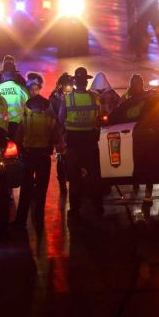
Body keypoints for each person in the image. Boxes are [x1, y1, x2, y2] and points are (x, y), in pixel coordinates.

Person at [14, 90, 63, 227]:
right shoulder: (51, 121)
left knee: (26, 189)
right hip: (43, 158)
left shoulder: (25, 120)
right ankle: (39, 218)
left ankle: (20, 220)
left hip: (28, 157)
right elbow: (56, 139)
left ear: (31, 107)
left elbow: (17, 140)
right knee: (42, 189)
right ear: (43, 107)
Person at [58, 67, 103, 216]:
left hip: (73, 143)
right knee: (94, 175)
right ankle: (97, 206)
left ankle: (75, 208)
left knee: (74, 176)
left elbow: (60, 119)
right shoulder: (95, 97)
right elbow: (99, 118)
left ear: (75, 82)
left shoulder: (67, 98)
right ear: (86, 81)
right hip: (90, 141)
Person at [0, 69, 29, 137]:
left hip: (3, 124)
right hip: (18, 124)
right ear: (15, 76)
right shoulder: (22, 89)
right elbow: (29, 107)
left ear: (3, 77)